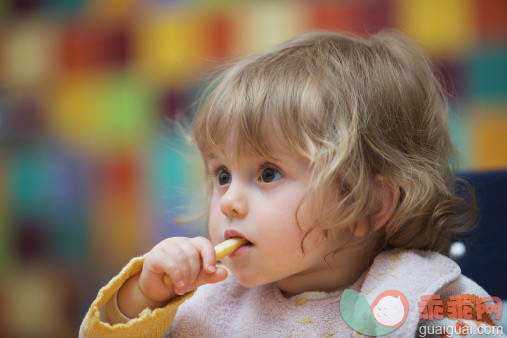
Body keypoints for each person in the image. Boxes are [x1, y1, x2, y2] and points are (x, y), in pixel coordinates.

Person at [80, 30, 505, 337]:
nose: (229, 202)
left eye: (267, 174)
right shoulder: (211, 299)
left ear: (369, 205)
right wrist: (143, 297)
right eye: (222, 175)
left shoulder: (422, 295)